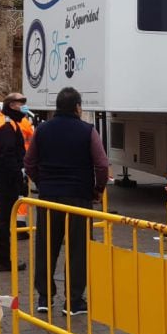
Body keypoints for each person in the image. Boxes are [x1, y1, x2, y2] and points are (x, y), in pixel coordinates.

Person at [24, 86, 109, 316]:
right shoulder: (87, 131)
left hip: (49, 198)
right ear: (78, 107)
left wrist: (42, 183)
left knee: (46, 246)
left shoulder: (42, 130)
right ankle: (73, 301)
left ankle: (44, 297)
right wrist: (98, 189)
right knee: (78, 249)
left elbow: (29, 162)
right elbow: (101, 165)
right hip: (79, 197)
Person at [0, 92, 35, 273]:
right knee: (4, 218)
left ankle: (3, 259)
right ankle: (4, 261)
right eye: (21, 103)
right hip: (6, 177)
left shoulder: (8, 121)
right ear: (12, 105)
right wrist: (17, 177)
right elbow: (8, 155)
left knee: (4, 217)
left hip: (3, 175)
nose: (23, 106)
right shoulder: (6, 125)